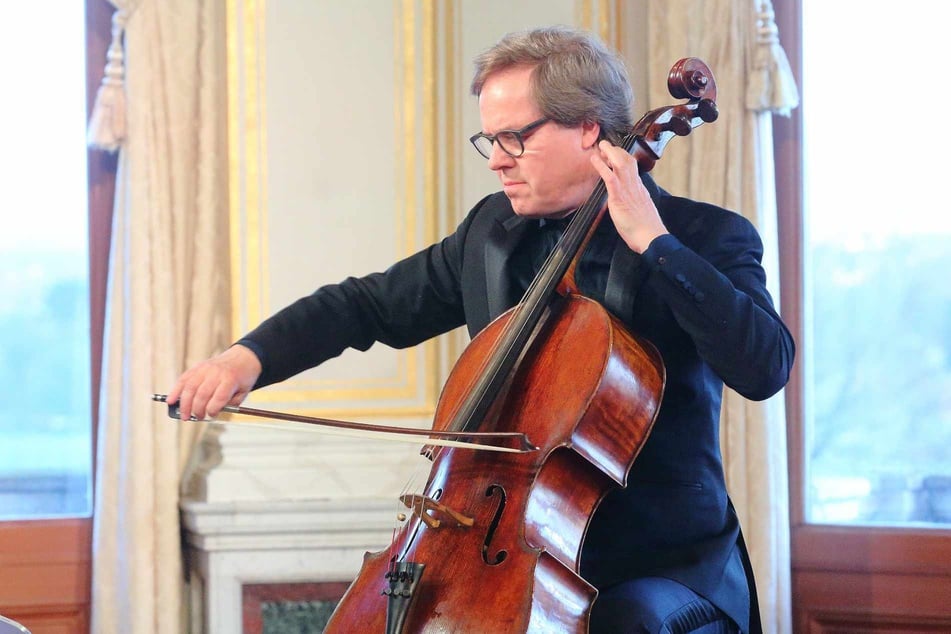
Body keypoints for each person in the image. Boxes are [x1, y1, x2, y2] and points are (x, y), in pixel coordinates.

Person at [168, 26, 793, 633]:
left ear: (589, 130)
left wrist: (656, 244)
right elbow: (366, 306)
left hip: (657, 566)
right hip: (506, 547)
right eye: (488, 139)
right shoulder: (492, 234)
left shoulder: (708, 236)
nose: (496, 161)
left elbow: (763, 367)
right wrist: (244, 359)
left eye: (514, 138)